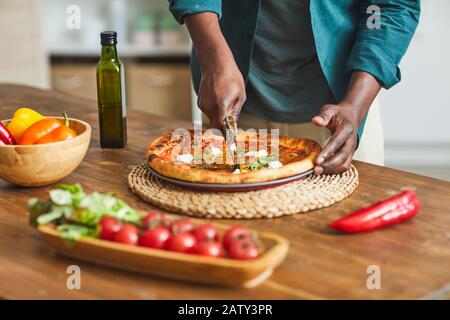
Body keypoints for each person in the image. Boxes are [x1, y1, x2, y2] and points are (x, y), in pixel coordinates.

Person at [169, 0, 420, 174]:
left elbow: (387, 7)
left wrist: (355, 105)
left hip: (344, 110)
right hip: (231, 99)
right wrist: (213, 60)